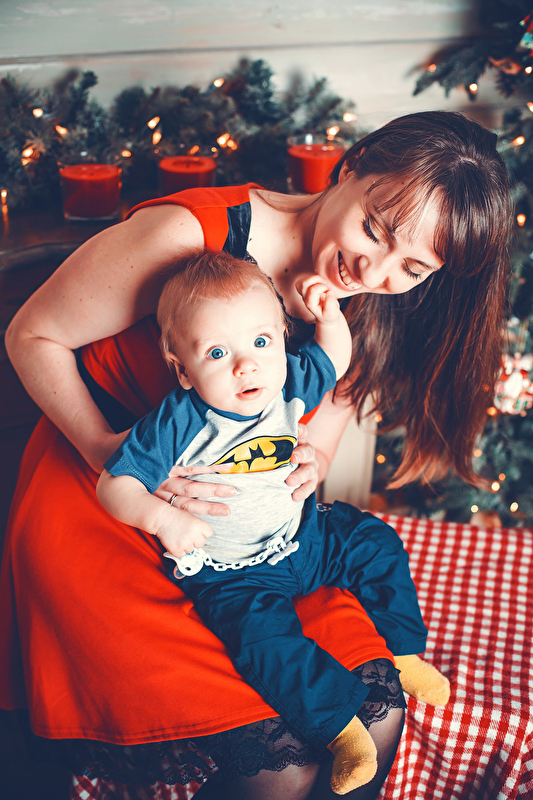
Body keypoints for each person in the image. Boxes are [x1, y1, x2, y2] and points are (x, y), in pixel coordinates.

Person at [1, 110, 511, 800]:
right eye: (373, 228)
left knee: (377, 715)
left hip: (255, 539)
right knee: (281, 768)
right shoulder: (188, 236)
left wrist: (311, 462)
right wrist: (103, 450)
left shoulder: (361, 297)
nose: (374, 269)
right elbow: (31, 334)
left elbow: (318, 425)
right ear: (351, 164)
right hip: (104, 508)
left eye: (413, 267)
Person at [97, 251, 449, 795]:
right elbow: (113, 485)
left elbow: (333, 358)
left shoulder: (287, 383)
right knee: (267, 644)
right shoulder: (179, 420)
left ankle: (402, 649)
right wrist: (161, 517)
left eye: (261, 341)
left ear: (282, 338)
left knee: (374, 540)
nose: (247, 365)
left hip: (303, 540)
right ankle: (341, 730)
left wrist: (330, 318)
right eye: (218, 353)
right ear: (182, 368)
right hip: (234, 573)